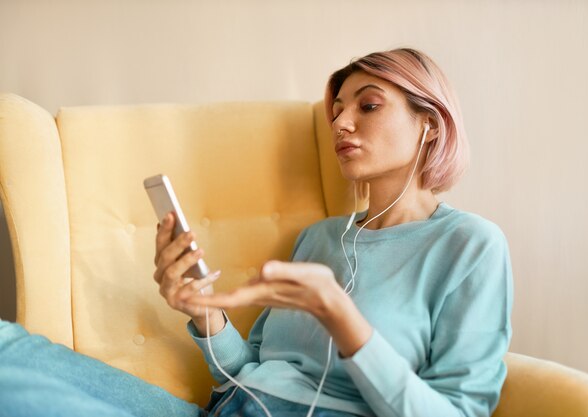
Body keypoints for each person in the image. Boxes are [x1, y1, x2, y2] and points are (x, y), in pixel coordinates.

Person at [0, 48, 513, 417]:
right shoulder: (319, 238)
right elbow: (249, 368)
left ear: (430, 122)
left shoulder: (470, 247)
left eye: (368, 106)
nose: (341, 123)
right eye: (337, 111)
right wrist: (205, 312)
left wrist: (340, 315)